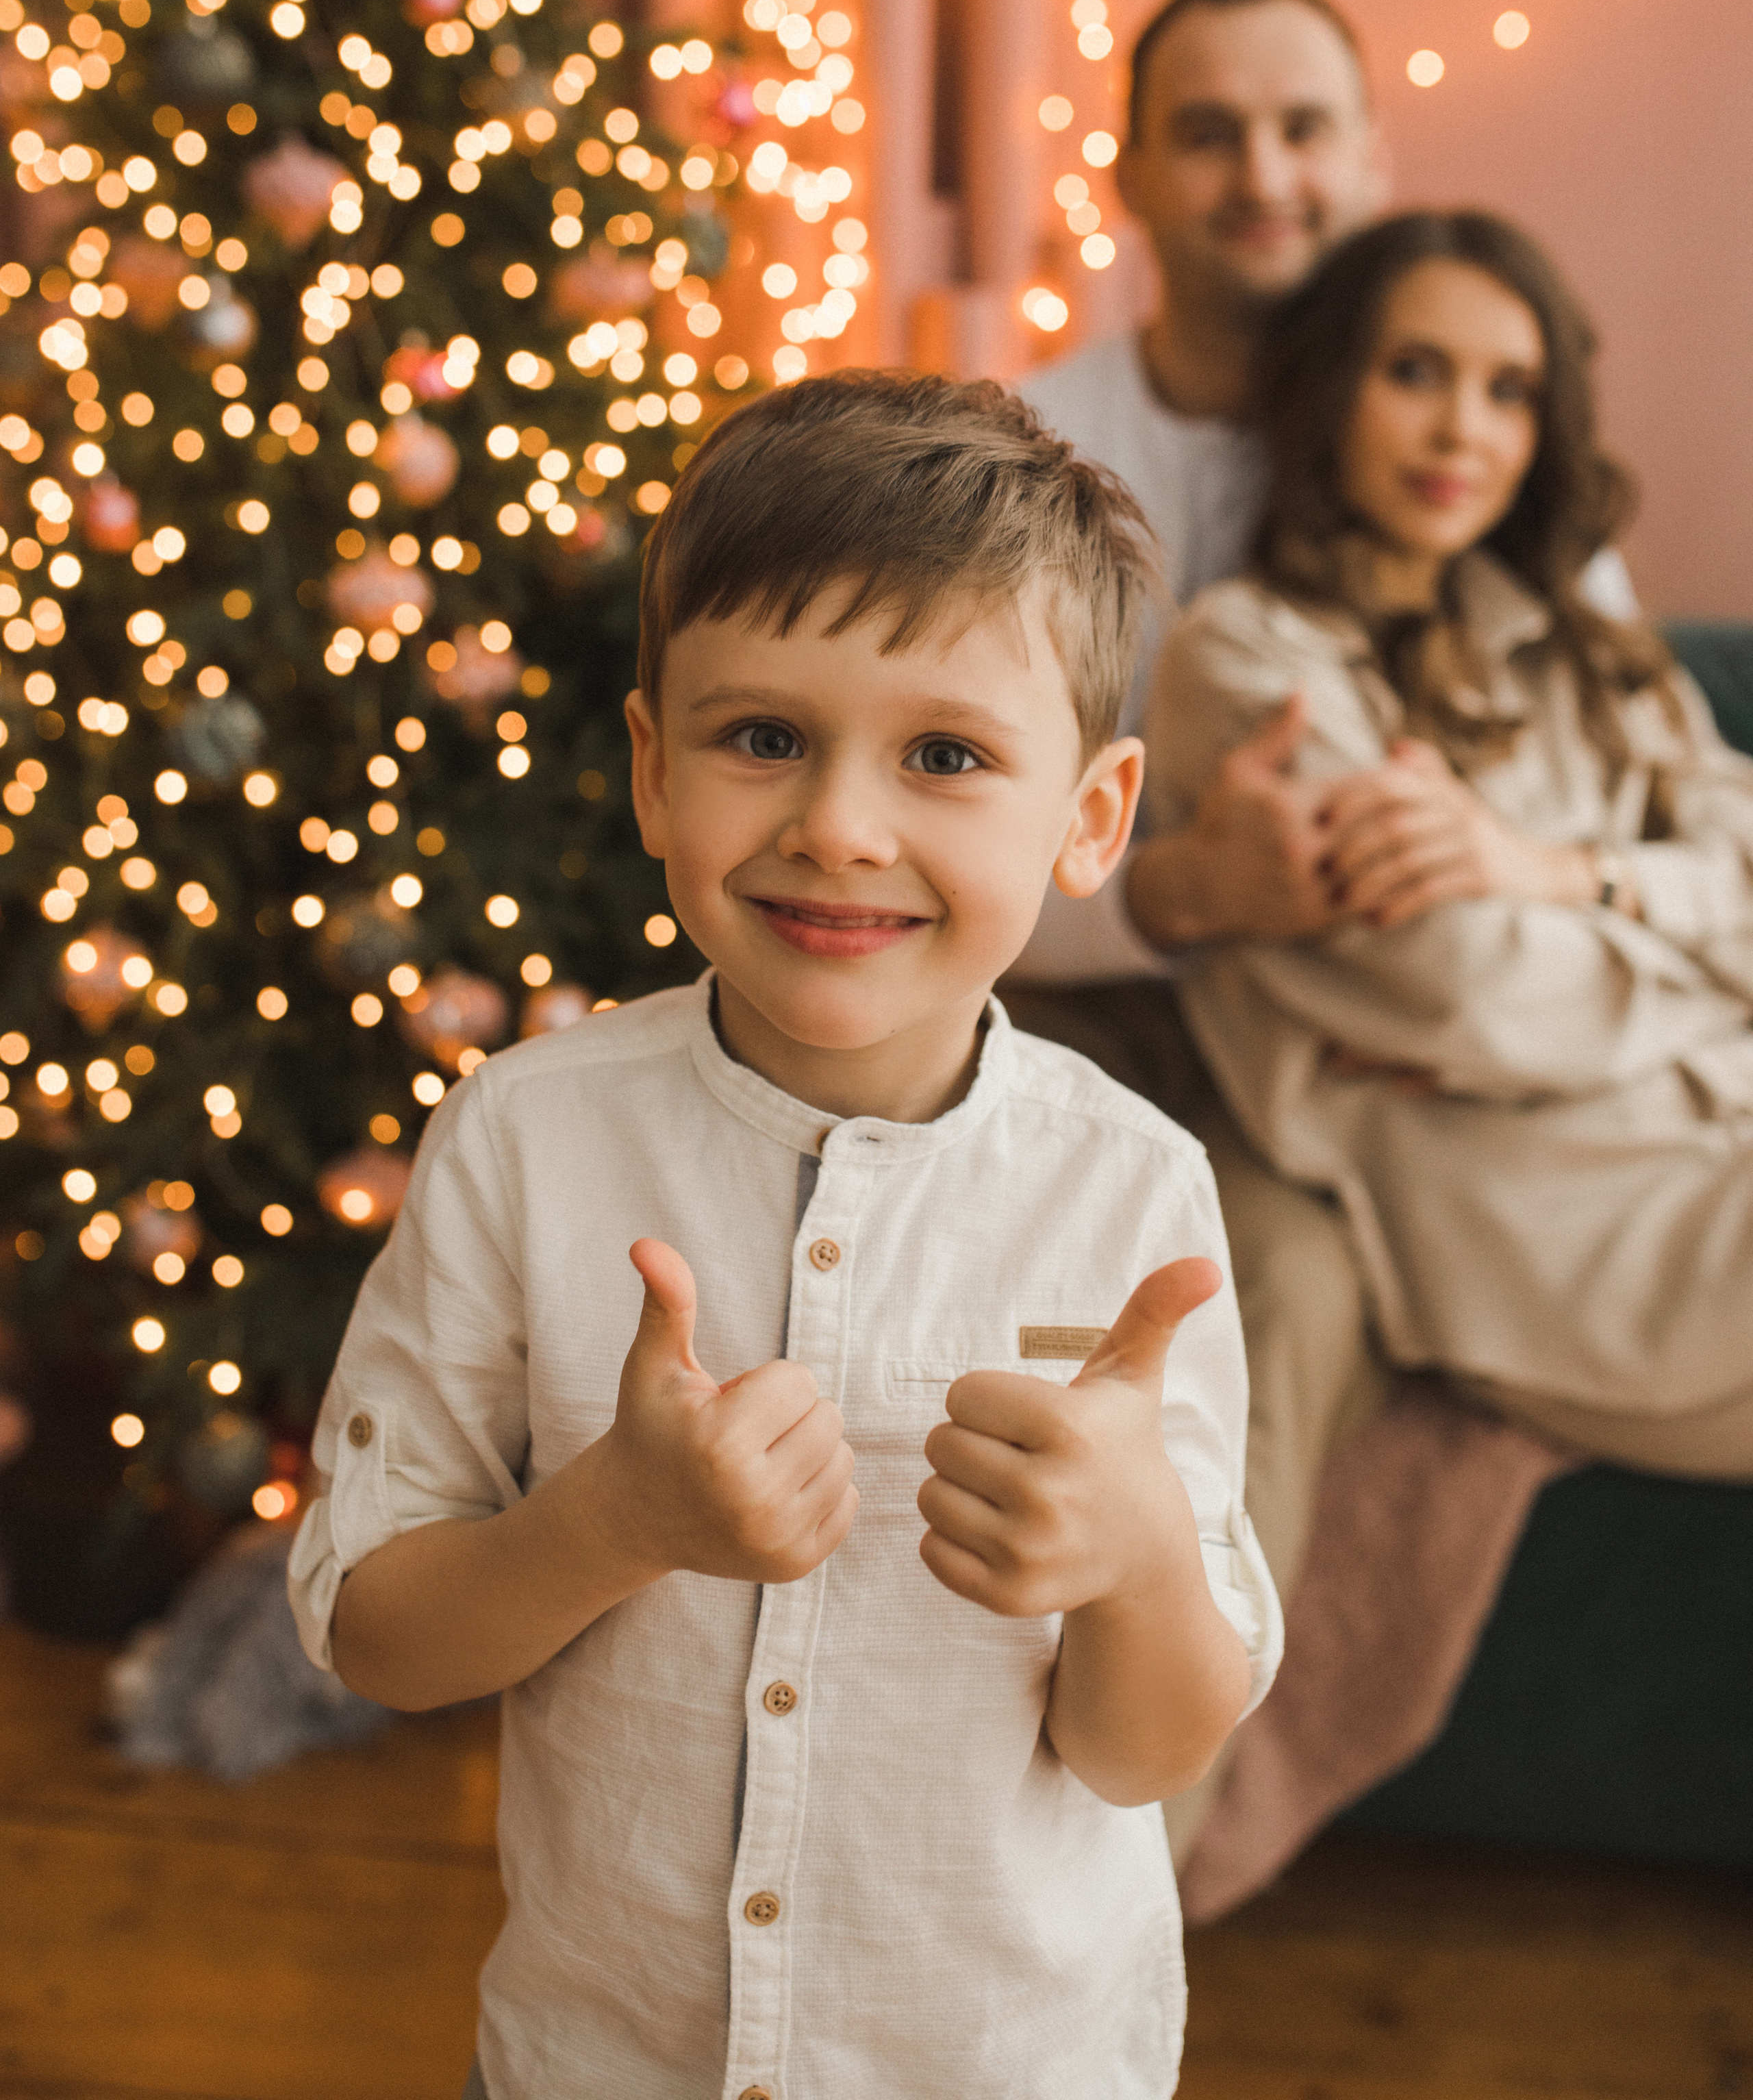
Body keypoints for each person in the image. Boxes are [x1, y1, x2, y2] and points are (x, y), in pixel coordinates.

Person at [288, 371, 1283, 2100]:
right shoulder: (525, 1143)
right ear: (655, 771)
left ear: (1091, 818)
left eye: (947, 756)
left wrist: (1130, 1558)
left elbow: (1147, 1750)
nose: (837, 823)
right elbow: (376, 1635)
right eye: (763, 737)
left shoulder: (1132, 1198)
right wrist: (609, 1522)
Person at [1009, 0, 1633, 1616]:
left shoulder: (1474, 441)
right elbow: (961, 838)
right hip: (1121, 1021)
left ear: (1366, 159)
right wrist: (1186, 892)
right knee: (1232, 1278)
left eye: (1300, 130)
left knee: (1334, 1266)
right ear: (1129, 173)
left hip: (1417, 1038)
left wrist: (1510, 881)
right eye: (1207, 135)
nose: (1261, 176)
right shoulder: (1028, 455)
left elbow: (1625, 786)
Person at [1148, 210, 1753, 1477]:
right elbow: (1469, 988)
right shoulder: (1252, 660)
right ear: (1330, 388)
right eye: (1413, 372)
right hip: (1569, 1223)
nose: (1461, 432)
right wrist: (1709, 971)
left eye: (1509, 391)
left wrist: (1564, 876)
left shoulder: (1584, 645)